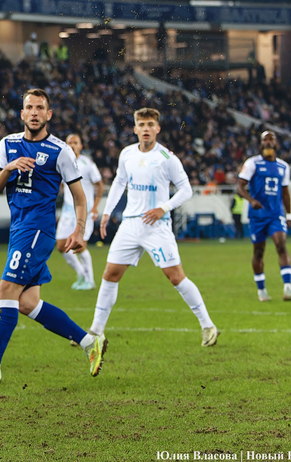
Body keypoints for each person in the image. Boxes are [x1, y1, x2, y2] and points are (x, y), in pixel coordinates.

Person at [0, 88, 95, 385]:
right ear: (21, 114)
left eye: (40, 108)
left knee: (6, 291)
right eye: (29, 107)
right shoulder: (8, 144)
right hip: (18, 229)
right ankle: (89, 343)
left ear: (49, 114)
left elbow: (80, 198)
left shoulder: (61, 151)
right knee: (28, 303)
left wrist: (79, 230)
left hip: (38, 230)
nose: (34, 112)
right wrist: (9, 167)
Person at [87, 108, 218, 378]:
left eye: (150, 124)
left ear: (157, 129)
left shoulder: (167, 158)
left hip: (156, 225)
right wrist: (107, 211)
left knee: (175, 277)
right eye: (141, 124)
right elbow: (119, 183)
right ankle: (96, 331)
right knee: (110, 274)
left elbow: (186, 189)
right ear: (135, 129)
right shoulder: (127, 154)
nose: (145, 128)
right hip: (130, 224)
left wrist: (163, 208)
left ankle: (207, 325)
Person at [237, 130, 291, 303]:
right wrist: (251, 200)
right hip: (257, 216)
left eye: (271, 139)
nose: (268, 142)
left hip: (275, 214)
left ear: (276, 143)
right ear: (261, 143)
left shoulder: (283, 166)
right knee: (259, 252)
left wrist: (289, 214)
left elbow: (285, 193)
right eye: (265, 140)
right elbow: (240, 186)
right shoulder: (252, 163)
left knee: (281, 244)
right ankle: (261, 290)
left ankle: (288, 288)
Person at [55, 133, 103, 290]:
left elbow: (100, 185)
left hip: (84, 211)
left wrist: (95, 207)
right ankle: (81, 272)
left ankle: (90, 280)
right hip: (68, 211)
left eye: (75, 142)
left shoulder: (87, 163)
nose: (72, 144)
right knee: (61, 245)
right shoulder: (63, 162)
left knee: (80, 246)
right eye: (69, 142)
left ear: (81, 146)